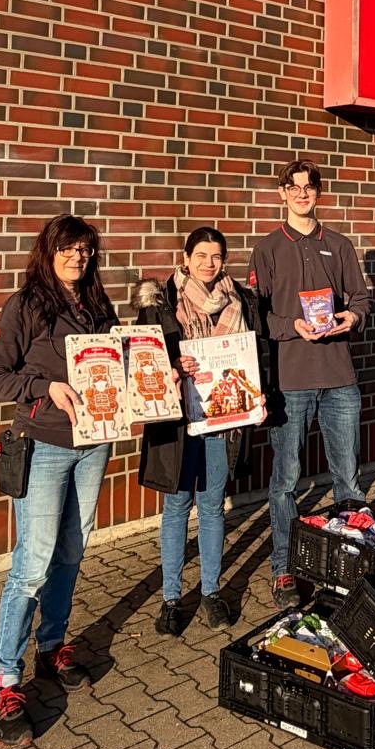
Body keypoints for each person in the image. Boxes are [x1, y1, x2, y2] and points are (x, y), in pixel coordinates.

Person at [0, 214, 118, 748]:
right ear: (49, 250)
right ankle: (4, 678)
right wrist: (45, 387)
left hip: (93, 445)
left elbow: (116, 368)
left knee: (71, 553)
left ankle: (52, 645)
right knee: (32, 564)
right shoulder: (26, 304)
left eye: (85, 250)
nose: (77, 258)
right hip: (43, 445)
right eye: (67, 248)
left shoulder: (98, 306)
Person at [249, 159, 370, 607]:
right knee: (286, 480)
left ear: (319, 193)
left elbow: (360, 299)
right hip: (291, 379)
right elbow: (256, 314)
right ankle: (284, 568)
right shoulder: (267, 249)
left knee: (348, 480)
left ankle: (352, 562)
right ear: (282, 193)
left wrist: (351, 317)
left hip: (339, 377)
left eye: (309, 187)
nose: (302, 194)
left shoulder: (338, 245)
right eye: (293, 187)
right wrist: (290, 327)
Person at [136, 226, 263, 636]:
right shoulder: (159, 302)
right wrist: (174, 368)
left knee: (211, 507)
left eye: (217, 256)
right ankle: (171, 599)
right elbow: (142, 363)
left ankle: (210, 592)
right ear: (186, 257)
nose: (210, 264)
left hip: (221, 420)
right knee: (176, 507)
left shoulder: (239, 299)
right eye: (202, 255)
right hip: (177, 423)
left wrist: (257, 399)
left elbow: (254, 355)